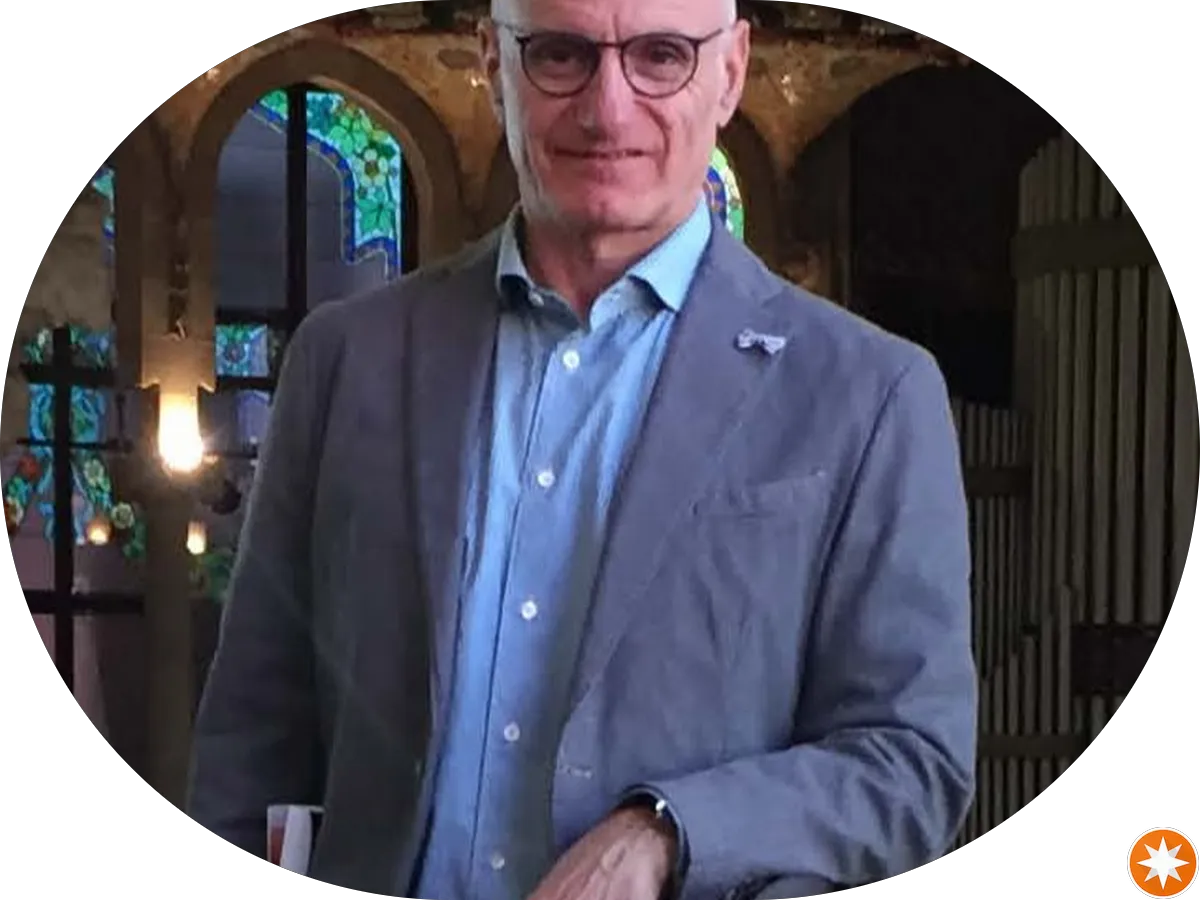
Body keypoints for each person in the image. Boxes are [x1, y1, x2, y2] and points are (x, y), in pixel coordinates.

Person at [186, 0, 978, 897]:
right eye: (560, 54)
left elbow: (911, 762)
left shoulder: (870, 394)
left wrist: (670, 830)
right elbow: (251, 736)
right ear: (493, 63)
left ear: (730, 71)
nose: (608, 110)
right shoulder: (345, 360)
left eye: (661, 56)